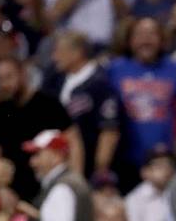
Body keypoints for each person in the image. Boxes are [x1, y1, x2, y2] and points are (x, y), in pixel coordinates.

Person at [108, 17, 176, 192]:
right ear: (129, 40)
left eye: (152, 34)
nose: (146, 40)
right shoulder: (114, 70)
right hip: (127, 162)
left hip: (167, 160)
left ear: (161, 40)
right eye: (139, 34)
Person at [0, 58, 83, 201]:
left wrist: (75, 181)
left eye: (9, 76)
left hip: (50, 187)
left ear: (23, 74)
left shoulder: (48, 104)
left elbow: (74, 142)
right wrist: (1, 189)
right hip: (14, 193)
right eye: (0, 79)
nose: (5, 84)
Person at [45, 31, 120, 178]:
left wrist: (100, 171)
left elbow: (109, 131)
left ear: (77, 53)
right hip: (62, 164)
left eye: (59, 51)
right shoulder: (56, 81)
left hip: (89, 167)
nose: (54, 57)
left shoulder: (100, 82)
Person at [125, 145, 176, 221]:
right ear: (145, 172)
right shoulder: (135, 199)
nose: (166, 170)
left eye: (169, 165)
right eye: (159, 166)